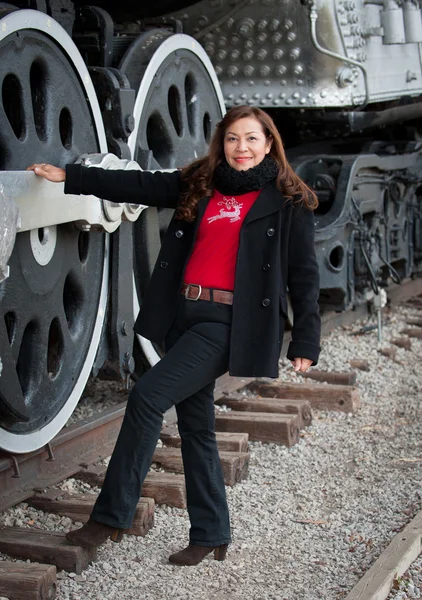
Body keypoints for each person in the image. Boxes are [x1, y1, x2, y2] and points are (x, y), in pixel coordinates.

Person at [27, 106, 321, 566]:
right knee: (196, 427)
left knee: (147, 395)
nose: (240, 149)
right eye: (231, 139)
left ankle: (109, 518)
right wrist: (71, 175)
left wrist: (306, 339)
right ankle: (211, 533)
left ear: (269, 144)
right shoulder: (201, 182)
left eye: (250, 139)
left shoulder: (288, 201)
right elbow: (138, 185)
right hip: (184, 316)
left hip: (227, 324)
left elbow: (304, 276)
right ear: (221, 143)